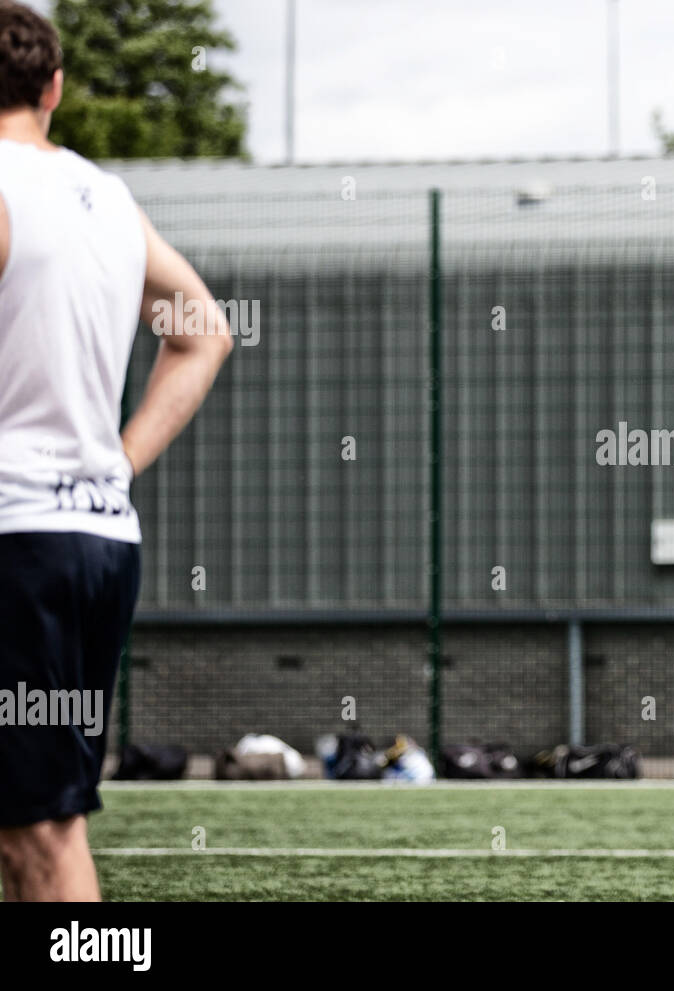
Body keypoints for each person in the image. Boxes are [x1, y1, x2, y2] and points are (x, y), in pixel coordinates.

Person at [0, 1, 232, 900]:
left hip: (17, 543)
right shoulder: (106, 197)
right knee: (37, 823)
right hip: (96, 539)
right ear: (54, 87)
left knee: (41, 834)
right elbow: (203, 329)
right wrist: (116, 463)